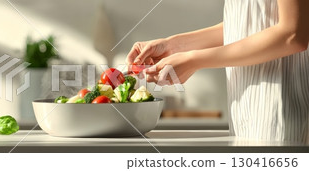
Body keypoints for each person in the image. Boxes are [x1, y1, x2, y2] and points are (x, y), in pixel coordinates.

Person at [126, 0, 308, 143]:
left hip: (282, 109)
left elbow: (293, 34)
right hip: (245, 112)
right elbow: (245, 23)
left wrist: (194, 60)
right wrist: (172, 45)